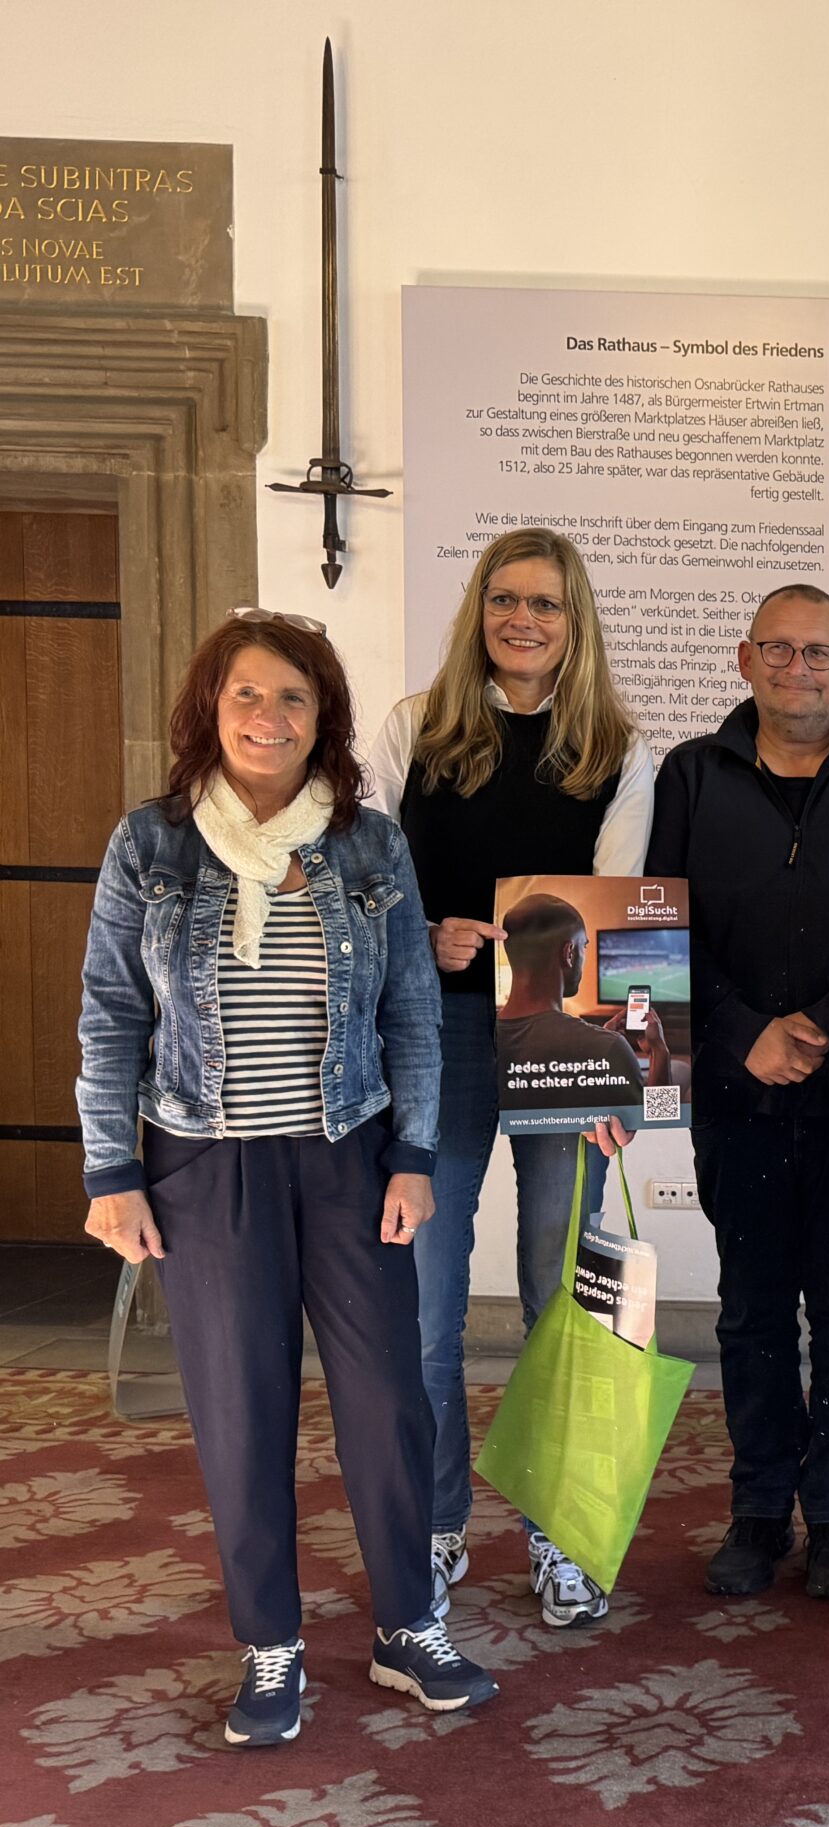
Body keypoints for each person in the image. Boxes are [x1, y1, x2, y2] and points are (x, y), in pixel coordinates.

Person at [77, 611, 498, 1748]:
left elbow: (412, 1010)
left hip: (348, 1156)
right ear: (210, 709)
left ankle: (409, 1626)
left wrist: (414, 1158)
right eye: (247, 695)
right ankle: (271, 1643)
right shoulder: (151, 844)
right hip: (201, 1166)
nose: (269, 717)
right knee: (240, 1406)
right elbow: (111, 1014)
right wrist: (111, 1170)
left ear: (325, 718)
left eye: (294, 698)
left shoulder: (368, 846)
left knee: (388, 1403)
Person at [635, 583, 829, 1600]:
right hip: (736, 1091)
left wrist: (826, 1020)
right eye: (777, 649)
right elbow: (657, 921)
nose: (797, 668)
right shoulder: (690, 774)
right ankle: (760, 1509)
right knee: (752, 1308)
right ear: (744, 659)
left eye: (819, 653)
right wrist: (743, 1034)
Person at [366, 526, 652, 1630]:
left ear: (576, 622)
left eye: (545, 603)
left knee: (561, 1298)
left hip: (558, 1036)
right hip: (434, 1034)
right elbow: (369, 881)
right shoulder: (416, 727)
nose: (522, 620)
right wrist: (421, 934)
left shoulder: (621, 750)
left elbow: (617, 918)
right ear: (477, 611)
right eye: (504, 600)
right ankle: (438, 1525)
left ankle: (560, 1530)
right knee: (427, 1309)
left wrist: (621, 1078)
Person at [490, 891, 670, 1117]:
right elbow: (659, 1118)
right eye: (584, 947)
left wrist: (599, 1039)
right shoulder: (609, 1047)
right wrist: (659, 1051)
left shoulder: (479, 1039)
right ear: (569, 953)